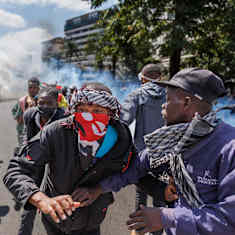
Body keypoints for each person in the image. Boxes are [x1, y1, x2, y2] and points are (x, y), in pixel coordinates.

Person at [72, 68, 235, 235]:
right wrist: (97, 189)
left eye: (168, 99)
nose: (163, 105)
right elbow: (135, 167)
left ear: (186, 103)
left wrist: (166, 217)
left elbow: (229, 220)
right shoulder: (171, 138)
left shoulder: (229, 148)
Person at [3, 82, 137, 235]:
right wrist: (42, 200)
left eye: (97, 110)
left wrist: (99, 189)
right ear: (75, 110)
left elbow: (134, 169)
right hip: (56, 222)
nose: (88, 116)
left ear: (110, 113)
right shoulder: (56, 132)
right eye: (82, 110)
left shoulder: (121, 137)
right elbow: (15, 171)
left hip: (92, 220)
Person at [120, 63, 166, 235]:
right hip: (165, 153)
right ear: (159, 77)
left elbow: (123, 121)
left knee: (141, 191)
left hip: (142, 153)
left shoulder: (137, 94)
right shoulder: (170, 95)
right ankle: (157, 230)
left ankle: (139, 229)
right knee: (161, 194)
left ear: (144, 78)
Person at [17, 86, 68, 235]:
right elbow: (26, 135)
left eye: (49, 103)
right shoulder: (30, 115)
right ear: (36, 102)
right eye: (41, 102)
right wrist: (24, 151)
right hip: (37, 159)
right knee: (30, 199)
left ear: (56, 104)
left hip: (57, 161)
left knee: (57, 199)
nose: (44, 106)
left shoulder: (64, 118)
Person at [11, 77, 40, 148]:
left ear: (38, 89)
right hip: (22, 131)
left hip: (37, 133)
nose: (32, 90)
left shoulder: (42, 101)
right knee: (22, 150)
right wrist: (18, 117)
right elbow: (14, 110)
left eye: (34, 88)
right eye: (30, 87)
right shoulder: (22, 100)